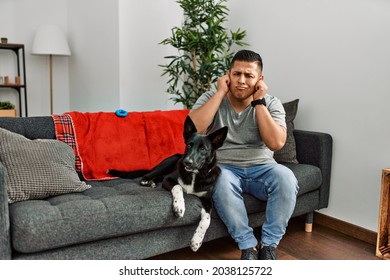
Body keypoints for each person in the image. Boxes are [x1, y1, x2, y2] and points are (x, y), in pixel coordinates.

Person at [188, 49, 299, 260]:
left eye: (249, 75)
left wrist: (258, 103)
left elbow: (276, 143)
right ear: (228, 75)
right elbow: (194, 130)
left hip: (263, 167)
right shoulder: (212, 97)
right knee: (218, 178)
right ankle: (248, 246)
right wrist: (220, 93)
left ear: (260, 80)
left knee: (286, 178)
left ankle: (268, 246)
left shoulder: (271, 103)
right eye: (236, 74)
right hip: (225, 167)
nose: (241, 80)